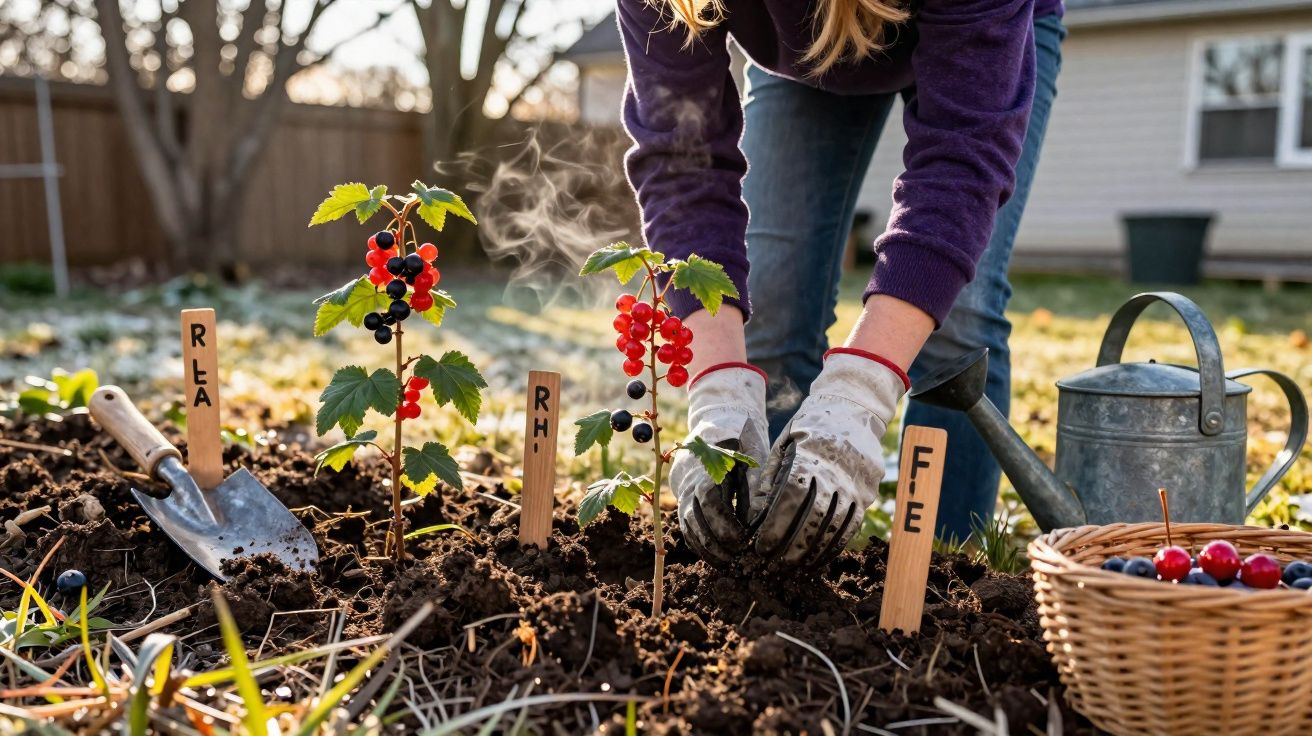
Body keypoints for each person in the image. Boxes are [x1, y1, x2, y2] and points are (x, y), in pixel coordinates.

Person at [621, 0, 1065, 566]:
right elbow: (682, 162)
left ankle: (943, 571)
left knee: (959, 318)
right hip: (803, 58)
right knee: (776, 302)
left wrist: (860, 392)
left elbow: (963, 155)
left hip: (978, 38)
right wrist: (717, 387)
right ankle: (771, 554)